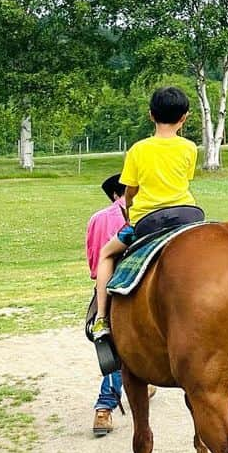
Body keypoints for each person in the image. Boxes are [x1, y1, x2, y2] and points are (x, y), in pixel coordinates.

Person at [91, 86, 204, 343]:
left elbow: (130, 192)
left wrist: (130, 213)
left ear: (151, 115)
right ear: (184, 117)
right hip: (188, 216)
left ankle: (101, 319)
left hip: (149, 221)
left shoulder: (138, 150)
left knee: (107, 254)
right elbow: (183, 180)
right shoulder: (189, 147)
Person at [86, 173, 128, 435]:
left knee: (107, 337)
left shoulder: (96, 219)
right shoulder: (138, 215)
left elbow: (94, 261)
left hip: (106, 283)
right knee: (119, 345)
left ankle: (104, 411)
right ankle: (105, 404)